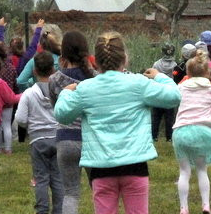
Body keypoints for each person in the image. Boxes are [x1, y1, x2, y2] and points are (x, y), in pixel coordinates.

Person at [54, 31, 181, 214]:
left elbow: (62, 115)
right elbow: (174, 96)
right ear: (125, 59)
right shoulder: (139, 84)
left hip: (101, 167)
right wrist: (159, 76)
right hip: (135, 165)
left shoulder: (85, 89)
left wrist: (66, 92)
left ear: (95, 62)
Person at [172, 50, 211, 214]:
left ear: (188, 72)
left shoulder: (181, 88)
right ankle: (206, 205)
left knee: (184, 171)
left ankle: (183, 208)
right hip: (201, 132)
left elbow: (170, 98)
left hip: (180, 132)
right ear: (207, 72)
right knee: (201, 169)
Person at [48, 30, 95, 214]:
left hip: (65, 139)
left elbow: (57, 109)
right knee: (99, 190)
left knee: (71, 193)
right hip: (91, 140)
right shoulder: (96, 78)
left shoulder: (55, 79)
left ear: (63, 54)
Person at [16, 52, 63, 214]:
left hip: (38, 140)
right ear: (53, 70)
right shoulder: (60, 91)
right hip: (57, 137)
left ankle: (42, 210)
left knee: (41, 178)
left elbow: (20, 118)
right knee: (57, 178)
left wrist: (31, 124)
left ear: (34, 70)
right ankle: (59, 210)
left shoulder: (29, 93)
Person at [18, 22, 62, 92]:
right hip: (57, 97)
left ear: (41, 46)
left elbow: (20, 81)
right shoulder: (62, 61)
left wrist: (31, 87)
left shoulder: (34, 61)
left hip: (38, 95)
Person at [0, 41, 17, 154]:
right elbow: (15, 83)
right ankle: (8, 148)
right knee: (7, 125)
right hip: (8, 99)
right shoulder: (11, 67)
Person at [151, 42, 178, 142]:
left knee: (156, 117)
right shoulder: (175, 65)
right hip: (169, 94)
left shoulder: (156, 64)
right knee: (169, 117)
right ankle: (169, 137)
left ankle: (154, 136)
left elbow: (152, 77)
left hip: (158, 93)